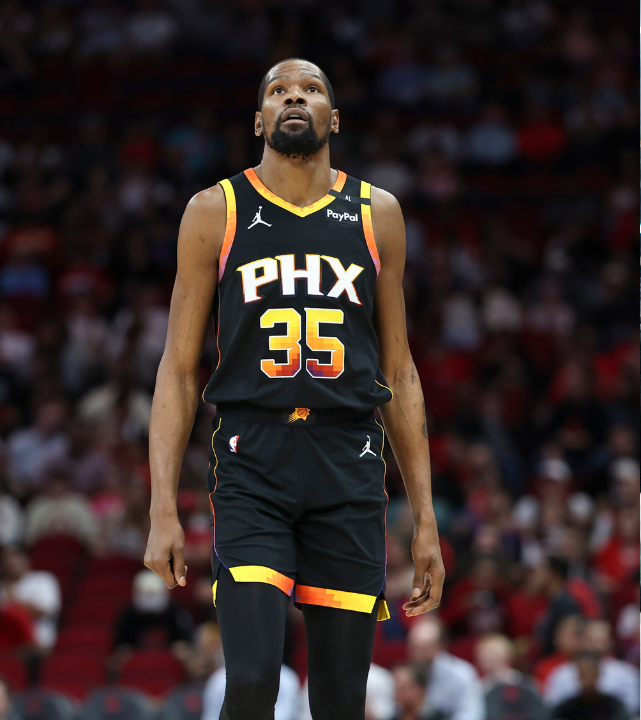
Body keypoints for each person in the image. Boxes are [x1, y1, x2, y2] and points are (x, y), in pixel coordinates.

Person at [144, 58, 446, 720]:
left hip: (350, 461)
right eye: (279, 91)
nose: (294, 98)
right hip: (254, 456)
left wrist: (425, 518)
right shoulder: (212, 210)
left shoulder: (379, 213)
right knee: (252, 683)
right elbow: (177, 366)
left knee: (340, 701)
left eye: (311, 90)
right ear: (260, 119)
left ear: (333, 118)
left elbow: (399, 372)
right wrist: (161, 502)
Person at [406, 614, 484, 720]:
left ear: (440, 646)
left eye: (424, 648)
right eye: (414, 647)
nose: (417, 654)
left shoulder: (461, 673)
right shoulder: (406, 674)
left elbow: (471, 714)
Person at [475, 633, 548, 720]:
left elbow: (541, 708)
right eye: (482, 652)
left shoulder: (526, 683)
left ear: (506, 655)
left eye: (491, 652)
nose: (486, 656)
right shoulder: (479, 686)